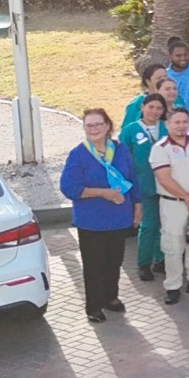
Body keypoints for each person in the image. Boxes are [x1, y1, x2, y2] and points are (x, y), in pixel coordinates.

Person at [60, 108, 141, 323]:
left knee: (114, 261)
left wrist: (138, 206)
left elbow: (133, 178)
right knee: (94, 265)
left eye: (98, 124)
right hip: (91, 221)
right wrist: (103, 193)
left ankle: (110, 297)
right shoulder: (78, 154)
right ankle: (94, 306)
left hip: (119, 217)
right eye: (89, 125)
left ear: (107, 126)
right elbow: (69, 188)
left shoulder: (121, 150)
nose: (93, 129)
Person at [149, 107, 189, 304]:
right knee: (173, 245)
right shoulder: (160, 148)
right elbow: (164, 179)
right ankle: (173, 285)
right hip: (173, 204)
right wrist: (187, 197)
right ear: (167, 124)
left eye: (184, 122)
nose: (181, 126)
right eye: (176, 122)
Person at [120, 93, 168, 281]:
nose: (154, 112)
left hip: (168, 185)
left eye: (159, 108)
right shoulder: (131, 130)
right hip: (144, 185)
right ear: (142, 107)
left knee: (166, 224)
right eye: (151, 107)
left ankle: (162, 259)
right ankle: (144, 263)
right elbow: (122, 158)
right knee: (149, 225)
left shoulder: (166, 127)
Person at [122, 63, 167, 128]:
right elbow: (126, 130)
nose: (163, 80)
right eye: (158, 78)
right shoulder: (136, 104)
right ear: (148, 81)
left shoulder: (176, 99)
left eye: (165, 77)